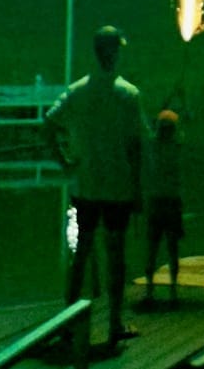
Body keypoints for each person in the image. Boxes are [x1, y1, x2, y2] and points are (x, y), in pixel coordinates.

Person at [48, 22, 143, 349]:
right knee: (115, 256)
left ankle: (67, 324)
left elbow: (47, 122)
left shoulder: (77, 92)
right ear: (114, 53)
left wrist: (64, 160)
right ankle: (115, 323)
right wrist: (138, 191)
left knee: (82, 255)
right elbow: (136, 148)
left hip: (85, 186)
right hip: (117, 188)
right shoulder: (128, 95)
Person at [142, 105, 184, 302]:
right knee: (172, 247)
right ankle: (173, 290)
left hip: (155, 201)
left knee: (152, 246)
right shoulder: (177, 147)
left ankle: (149, 289)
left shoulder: (152, 146)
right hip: (172, 201)